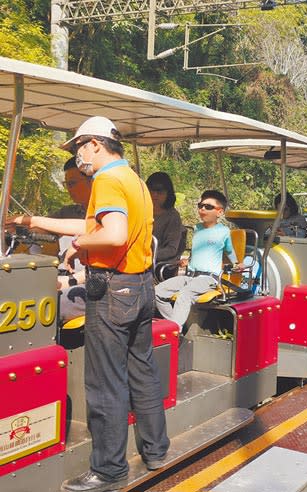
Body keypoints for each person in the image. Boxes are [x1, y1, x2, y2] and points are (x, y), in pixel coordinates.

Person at [59, 116, 169, 491]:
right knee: (142, 371)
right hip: (140, 286)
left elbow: (114, 233)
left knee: (106, 382)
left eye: (78, 149)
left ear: (94, 143)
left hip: (110, 289)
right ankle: (155, 451)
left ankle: (108, 470)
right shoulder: (134, 180)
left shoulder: (106, 179)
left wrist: (78, 246)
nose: (77, 158)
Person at [8, 157, 91, 323]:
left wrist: (67, 281)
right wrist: (14, 227)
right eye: (65, 184)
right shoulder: (70, 211)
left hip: (88, 284)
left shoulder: (105, 217)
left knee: (46, 306)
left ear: (91, 181)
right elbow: (45, 226)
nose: (68, 189)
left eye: (72, 183)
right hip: (61, 277)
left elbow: (87, 228)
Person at [155, 190, 244, 329]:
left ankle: (173, 329)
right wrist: (188, 261)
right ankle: (175, 326)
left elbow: (229, 251)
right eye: (201, 205)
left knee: (185, 294)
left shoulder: (223, 231)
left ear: (219, 212)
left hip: (208, 278)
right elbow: (199, 252)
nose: (202, 209)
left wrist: (237, 264)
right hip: (189, 276)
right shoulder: (197, 228)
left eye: (208, 207)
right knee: (157, 292)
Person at [146, 172, 184, 267]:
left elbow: (171, 249)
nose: (155, 195)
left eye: (160, 191)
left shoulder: (173, 217)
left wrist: (148, 256)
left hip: (158, 265)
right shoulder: (141, 211)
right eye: (151, 190)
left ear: (168, 193)